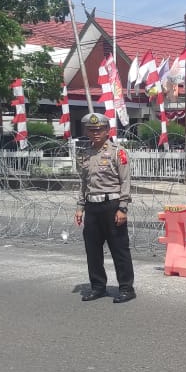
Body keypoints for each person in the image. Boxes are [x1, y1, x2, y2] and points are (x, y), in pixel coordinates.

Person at [74, 112, 136, 304]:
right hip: (92, 206)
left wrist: (123, 208)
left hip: (112, 205)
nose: (95, 133)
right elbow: (84, 182)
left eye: (99, 129)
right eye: (91, 130)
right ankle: (98, 287)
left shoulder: (118, 151)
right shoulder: (84, 153)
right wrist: (80, 206)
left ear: (107, 130)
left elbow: (125, 181)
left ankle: (126, 288)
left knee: (119, 249)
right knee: (93, 250)